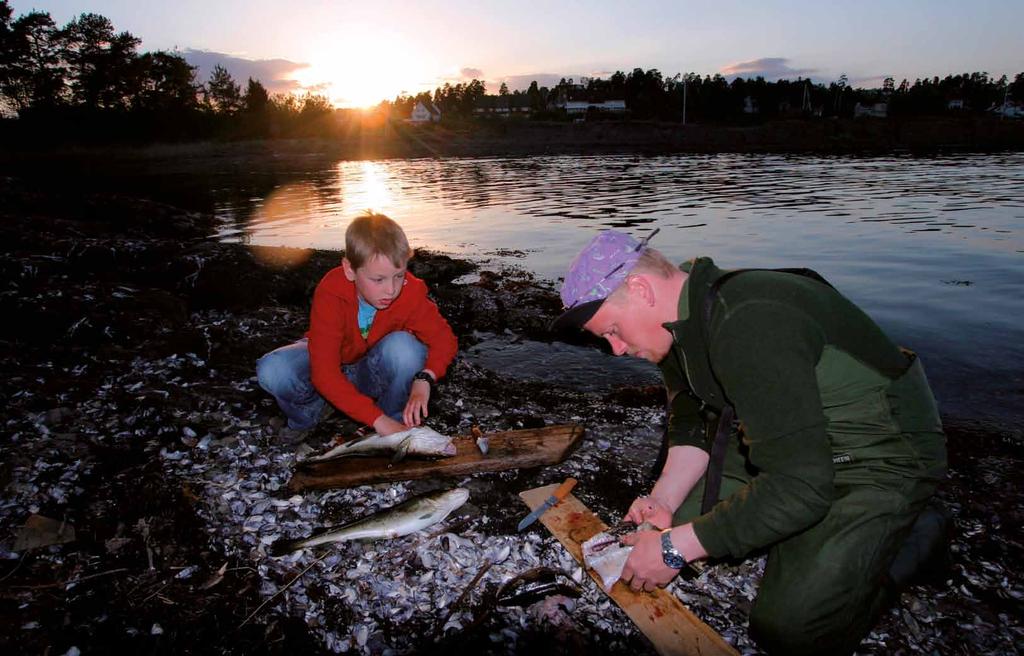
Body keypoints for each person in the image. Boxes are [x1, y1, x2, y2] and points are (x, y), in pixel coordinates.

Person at [551, 230, 947, 655]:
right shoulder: (679, 320)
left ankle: (917, 533)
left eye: (612, 330)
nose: (615, 349)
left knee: (791, 629)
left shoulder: (748, 322)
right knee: (683, 519)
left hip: (877, 450)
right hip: (796, 439)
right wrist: (663, 500)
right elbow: (691, 413)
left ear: (641, 288)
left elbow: (801, 486)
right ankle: (803, 535)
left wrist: (673, 548)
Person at [257, 212, 458, 442]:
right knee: (274, 370)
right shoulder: (331, 291)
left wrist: (425, 378)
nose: (391, 290)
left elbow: (444, 339)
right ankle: (310, 415)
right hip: (329, 363)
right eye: (378, 279)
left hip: (369, 371)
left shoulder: (410, 292)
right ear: (350, 270)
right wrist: (376, 419)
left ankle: (393, 420)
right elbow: (325, 373)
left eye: (399, 275)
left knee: (405, 348)